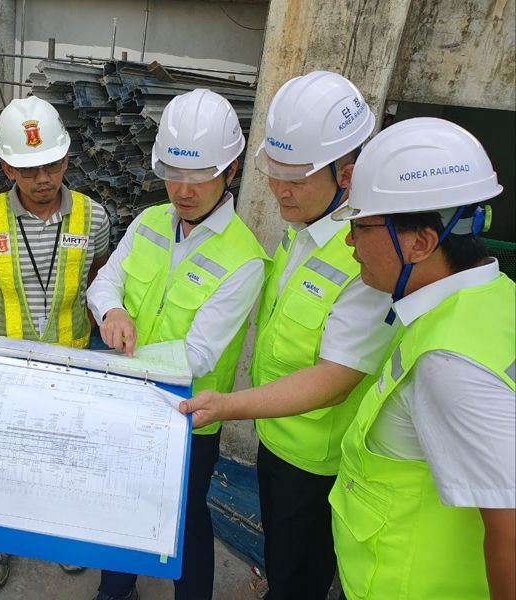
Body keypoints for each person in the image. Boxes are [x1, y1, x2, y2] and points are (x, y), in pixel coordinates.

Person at [179, 71, 398, 600]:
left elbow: (334, 380)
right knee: (282, 562)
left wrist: (229, 406)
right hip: (277, 443)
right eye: (276, 173)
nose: (279, 190)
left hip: (319, 465)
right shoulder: (301, 231)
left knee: (298, 578)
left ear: (346, 174)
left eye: (296, 178)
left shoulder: (363, 260)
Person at [87, 88, 270, 600]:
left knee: (185, 522)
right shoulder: (147, 222)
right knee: (120, 503)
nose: (183, 191)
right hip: (126, 402)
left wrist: (122, 364)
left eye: (199, 177)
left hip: (189, 417)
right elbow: (105, 283)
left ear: (231, 171)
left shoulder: (245, 259)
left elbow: (201, 353)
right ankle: (114, 589)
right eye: (173, 174)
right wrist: (113, 309)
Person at [327, 117, 515, 599]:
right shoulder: (493, 301)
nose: (350, 242)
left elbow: (510, 524)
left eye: (361, 227)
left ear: (420, 242)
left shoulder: (449, 364)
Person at [0, 94, 111, 590]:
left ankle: (59, 536)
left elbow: (102, 289)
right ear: (6, 168)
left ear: (66, 159)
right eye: (27, 169)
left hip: (71, 367)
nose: (42, 179)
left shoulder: (94, 218)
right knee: (2, 459)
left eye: (51, 165)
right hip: (4, 371)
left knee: (64, 457)